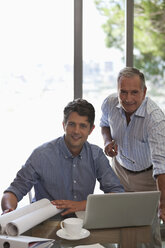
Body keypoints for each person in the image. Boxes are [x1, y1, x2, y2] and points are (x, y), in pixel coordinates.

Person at [1, 98, 124, 217]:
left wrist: (83, 205)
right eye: (71, 124)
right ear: (63, 125)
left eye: (82, 126)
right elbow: (13, 190)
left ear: (91, 130)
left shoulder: (96, 155)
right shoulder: (41, 155)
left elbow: (117, 193)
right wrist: (8, 210)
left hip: (81, 224)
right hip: (44, 223)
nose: (76, 131)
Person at [100, 67, 165, 248]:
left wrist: (163, 203)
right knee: (122, 226)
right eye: (123, 92)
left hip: (148, 177)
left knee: (148, 233)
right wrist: (107, 141)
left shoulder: (155, 119)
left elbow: (161, 165)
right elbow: (104, 124)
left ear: (144, 92)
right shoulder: (109, 103)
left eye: (134, 92)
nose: (128, 99)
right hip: (120, 172)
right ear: (118, 90)